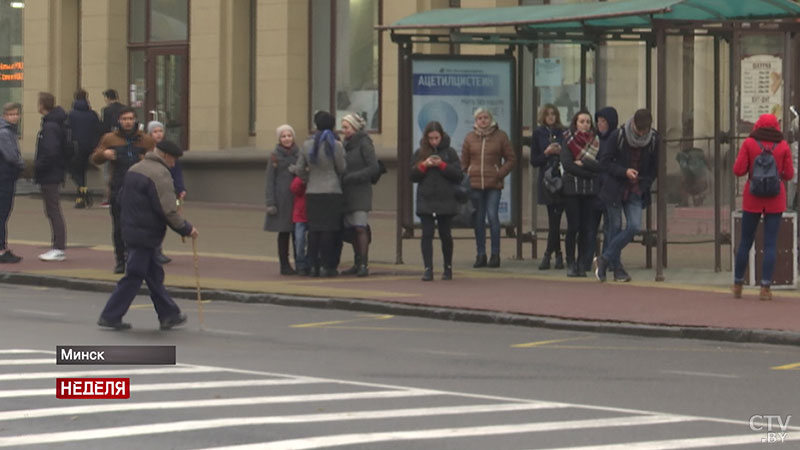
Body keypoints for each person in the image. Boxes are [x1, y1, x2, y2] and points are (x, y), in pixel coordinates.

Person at [97, 139, 198, 330]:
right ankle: (110, 315)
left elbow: (119, 198)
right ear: (165, 156)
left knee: (153, 275)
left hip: (131, 228)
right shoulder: (160, 175)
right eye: (173, 159)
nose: (174, 164)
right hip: (146, 232)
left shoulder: (136, 168)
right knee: (134, 275)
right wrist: (186, 228)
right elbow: (168, 210)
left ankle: (169, 314)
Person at [732, 113, 794, 301]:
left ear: (758, 125)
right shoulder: (783, 146)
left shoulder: (750, 144)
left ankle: (737, 285)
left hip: (752, 198)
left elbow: (738, 170)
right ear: (776, 127)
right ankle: (765, 287)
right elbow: (789, 174)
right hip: (775, 199)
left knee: (745, 242)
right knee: (770, 244)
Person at [596, 109, 659, 283]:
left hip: (636, 190)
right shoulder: (619, 135)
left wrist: (644, 183)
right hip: (615, 188)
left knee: (634, 226)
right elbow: (604, 162)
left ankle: (605, 259)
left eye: (644, 131)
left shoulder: (653, 139)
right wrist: (624, 172)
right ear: (633, 124)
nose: (641, 134)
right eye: (639, 130)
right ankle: (617, 269)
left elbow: (655, 167)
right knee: (614, 227)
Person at [92, 107, 155, 273]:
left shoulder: (145, 139)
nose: (128, 122)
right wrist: (105, 154)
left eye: (130, 119)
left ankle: (137, 259)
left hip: (140, 188)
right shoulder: (110, 138)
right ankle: (120, 260)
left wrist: (146, 159)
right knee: (119, 226)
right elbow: (95, 158)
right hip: (118, 187)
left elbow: (156, 161)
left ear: (135, 120)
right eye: (124, 119)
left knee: (139, 226)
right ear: (119, 121)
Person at [461, 107, 516, 268]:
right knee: (478, 219)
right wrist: (467, 175)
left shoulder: (500, 137)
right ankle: (480, 254)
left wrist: (500, 173)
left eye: (485, 117)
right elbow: (463, 163)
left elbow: (511, 159)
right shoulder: (470, 138)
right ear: (475, 121)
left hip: (494, 184)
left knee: (493, 217)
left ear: (491, 119)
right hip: (475, 184)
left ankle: (495, 254)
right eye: (479, 118)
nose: (483, 120)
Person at [295, 111, 346, 277]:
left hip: (313, 192)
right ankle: (327, 266)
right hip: (332, 191)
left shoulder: (307, 145)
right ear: (332, 126)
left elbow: (299, 169)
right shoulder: (336, 145)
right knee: (329, 230)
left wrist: (308, 179)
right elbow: (342, 168)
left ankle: (312, 266)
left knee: (314, 230)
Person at [411, 121, 462, 281]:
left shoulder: (450, 152)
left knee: (445, 234)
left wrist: (442, 165)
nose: (434, 141)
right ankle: (428, 268)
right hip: (426, 199)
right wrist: (424, 165)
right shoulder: (420, 152)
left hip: (445, 199)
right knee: (426, 234)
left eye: (436, 138)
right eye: (431, 138)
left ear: (442, 136)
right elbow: (411, 176)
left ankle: (448, 267)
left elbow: (458, 175)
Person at [561, 109, 602, 277]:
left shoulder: (596, 141)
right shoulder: (568, 140)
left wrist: (584, 164)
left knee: (586, 228)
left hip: (590, 191)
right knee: (573, 227)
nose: (585, 124)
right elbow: (568, 165)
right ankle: (570, 262)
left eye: (587, 121)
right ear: (575, 123)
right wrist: (590, 172)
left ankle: (581, 262)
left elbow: (599, 166)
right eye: (581, 121)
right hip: (572, 189)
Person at [340, 113, 379, 277]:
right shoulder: (344, 145)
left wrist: (354, 176)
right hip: (347, 191)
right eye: (342, 127)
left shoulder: (364, 143)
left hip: (361, 191)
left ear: (355, 127)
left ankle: (364, 263)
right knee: (351, 229)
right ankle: (356, 262)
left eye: (346, 127)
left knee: (360, 227)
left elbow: (373, 167)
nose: (343, 131)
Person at [530, 104, 566, 271]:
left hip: (561, 178)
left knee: (556, 219)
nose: (551, 117)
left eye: (553, 114)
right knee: (553, 219)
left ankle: (548, 255)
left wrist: (560, 151)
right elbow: (534, 160)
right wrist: (546, 153)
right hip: (546, 179)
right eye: (548, 114)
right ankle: (557, 254)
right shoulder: (538, 133)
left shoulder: (563, 132)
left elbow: (569, 154)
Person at [34, 92, 68, 262]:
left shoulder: (50, 127)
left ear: (42, 105)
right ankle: (57, 246)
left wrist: (37, 166)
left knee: (53, 210)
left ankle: (58, 247)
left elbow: (51, 152)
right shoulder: (54, 124)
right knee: (52, 210)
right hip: (53, 172)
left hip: (50, 174)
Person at [147, 120, 185, 265]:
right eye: (155, 131)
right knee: (155, 220)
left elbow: (177, 172)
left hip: (172, 193)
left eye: (160, 131)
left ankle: (158, 249)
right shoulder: (149, 151)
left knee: (168, 215)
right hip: (156, 192)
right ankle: (156, 250)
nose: (158, 134)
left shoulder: (170, 150)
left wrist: (181, 188)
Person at [264, 124, 299, 275]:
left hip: (297, 199)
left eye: (289, 135)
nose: (287, 139)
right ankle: (284, 264)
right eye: (283, 136)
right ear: (279, 139)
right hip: (282, 200)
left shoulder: (299, 154)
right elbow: (270, 180)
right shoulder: (274, 156)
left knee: (298, 233)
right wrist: (270, 202)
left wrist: (298, 170)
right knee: (284, 232)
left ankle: (301, 263)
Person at [68, 89, 101, 209]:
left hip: (76, 147)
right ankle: (80, 198)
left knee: (75, 171)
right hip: (90, 147)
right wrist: (95, 145)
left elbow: (68, 131)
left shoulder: (71, 114)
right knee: (82, 171)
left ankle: (84, 191)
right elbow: (98, 130)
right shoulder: (93, 114)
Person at [593, 106, 619, 258]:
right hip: (596, 188)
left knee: (612, 225)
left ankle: (608, 256)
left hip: (610, 188)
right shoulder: (596, 140)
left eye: (603, 121)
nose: (600, 124)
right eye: (598, 121)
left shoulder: (614, 138)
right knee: (598, 225)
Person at [0, 102, 24, 263]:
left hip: (6, 176)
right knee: (2, 213)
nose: (14, 117)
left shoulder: (9, 131)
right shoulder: (4, 133)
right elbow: (11, 156)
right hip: (4, 177)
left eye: (16, 114)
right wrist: (22, 165)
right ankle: (2, 250)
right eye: (10, 114)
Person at [99, 89, 124, 208]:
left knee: (108, 173)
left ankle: (108, 198)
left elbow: (104, 128)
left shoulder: (107, 111)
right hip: (124, 144)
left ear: (108, 98)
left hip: (110, 145)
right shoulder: (124, 109)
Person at [289, 167, 309, 276]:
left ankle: (309, 263)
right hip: (300, 215)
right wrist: (302, 180)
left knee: (312, 242)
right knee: (300, 241)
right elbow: (294, 188)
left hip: (312, 214)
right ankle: (300, 264)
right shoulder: (300, 178)